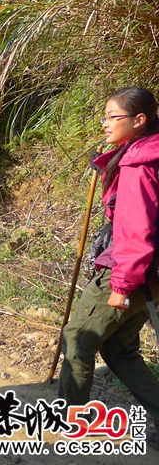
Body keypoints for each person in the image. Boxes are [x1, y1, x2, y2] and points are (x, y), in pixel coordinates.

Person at [58, 87, 159, 451]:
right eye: (104, 116)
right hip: (152, 275)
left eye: (112, 116)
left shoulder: (137, 166)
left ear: (139, 120)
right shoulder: (149, 156)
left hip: (131, 271)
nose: (104, 124)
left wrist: (120, 284)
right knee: (118, 350)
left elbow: (136, 230)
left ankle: (70, 420)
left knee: (78, 337)